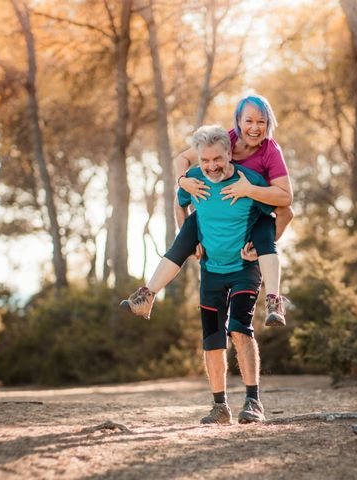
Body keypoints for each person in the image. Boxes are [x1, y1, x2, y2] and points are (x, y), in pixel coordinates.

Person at [120, 94, 294, 326]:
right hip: (214, 207)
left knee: (264, 236)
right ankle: (147, 295)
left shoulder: (271, 151)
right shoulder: (224, 140)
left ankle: (274, 300)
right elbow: (183, 159)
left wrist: (249, 190)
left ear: (268, 123)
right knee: (183, 239)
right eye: (248, 121)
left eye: (261, 122)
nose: (254, 127)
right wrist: (183, 180)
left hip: (254, 209)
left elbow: (286, 200)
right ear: (238, 122)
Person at [177, 125, 279, 424]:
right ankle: (220, 407)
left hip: (245, 269)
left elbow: (280, 210)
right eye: (205, 161)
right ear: (198, 159)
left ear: (229, 153)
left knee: (238, 326)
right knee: (211, 337)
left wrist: (263, 246)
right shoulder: (193, 179)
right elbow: (179, 203)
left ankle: (253, 402)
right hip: (210, 270)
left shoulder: (251, 181)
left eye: (217, 159)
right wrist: (188, 237)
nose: (211, 166)